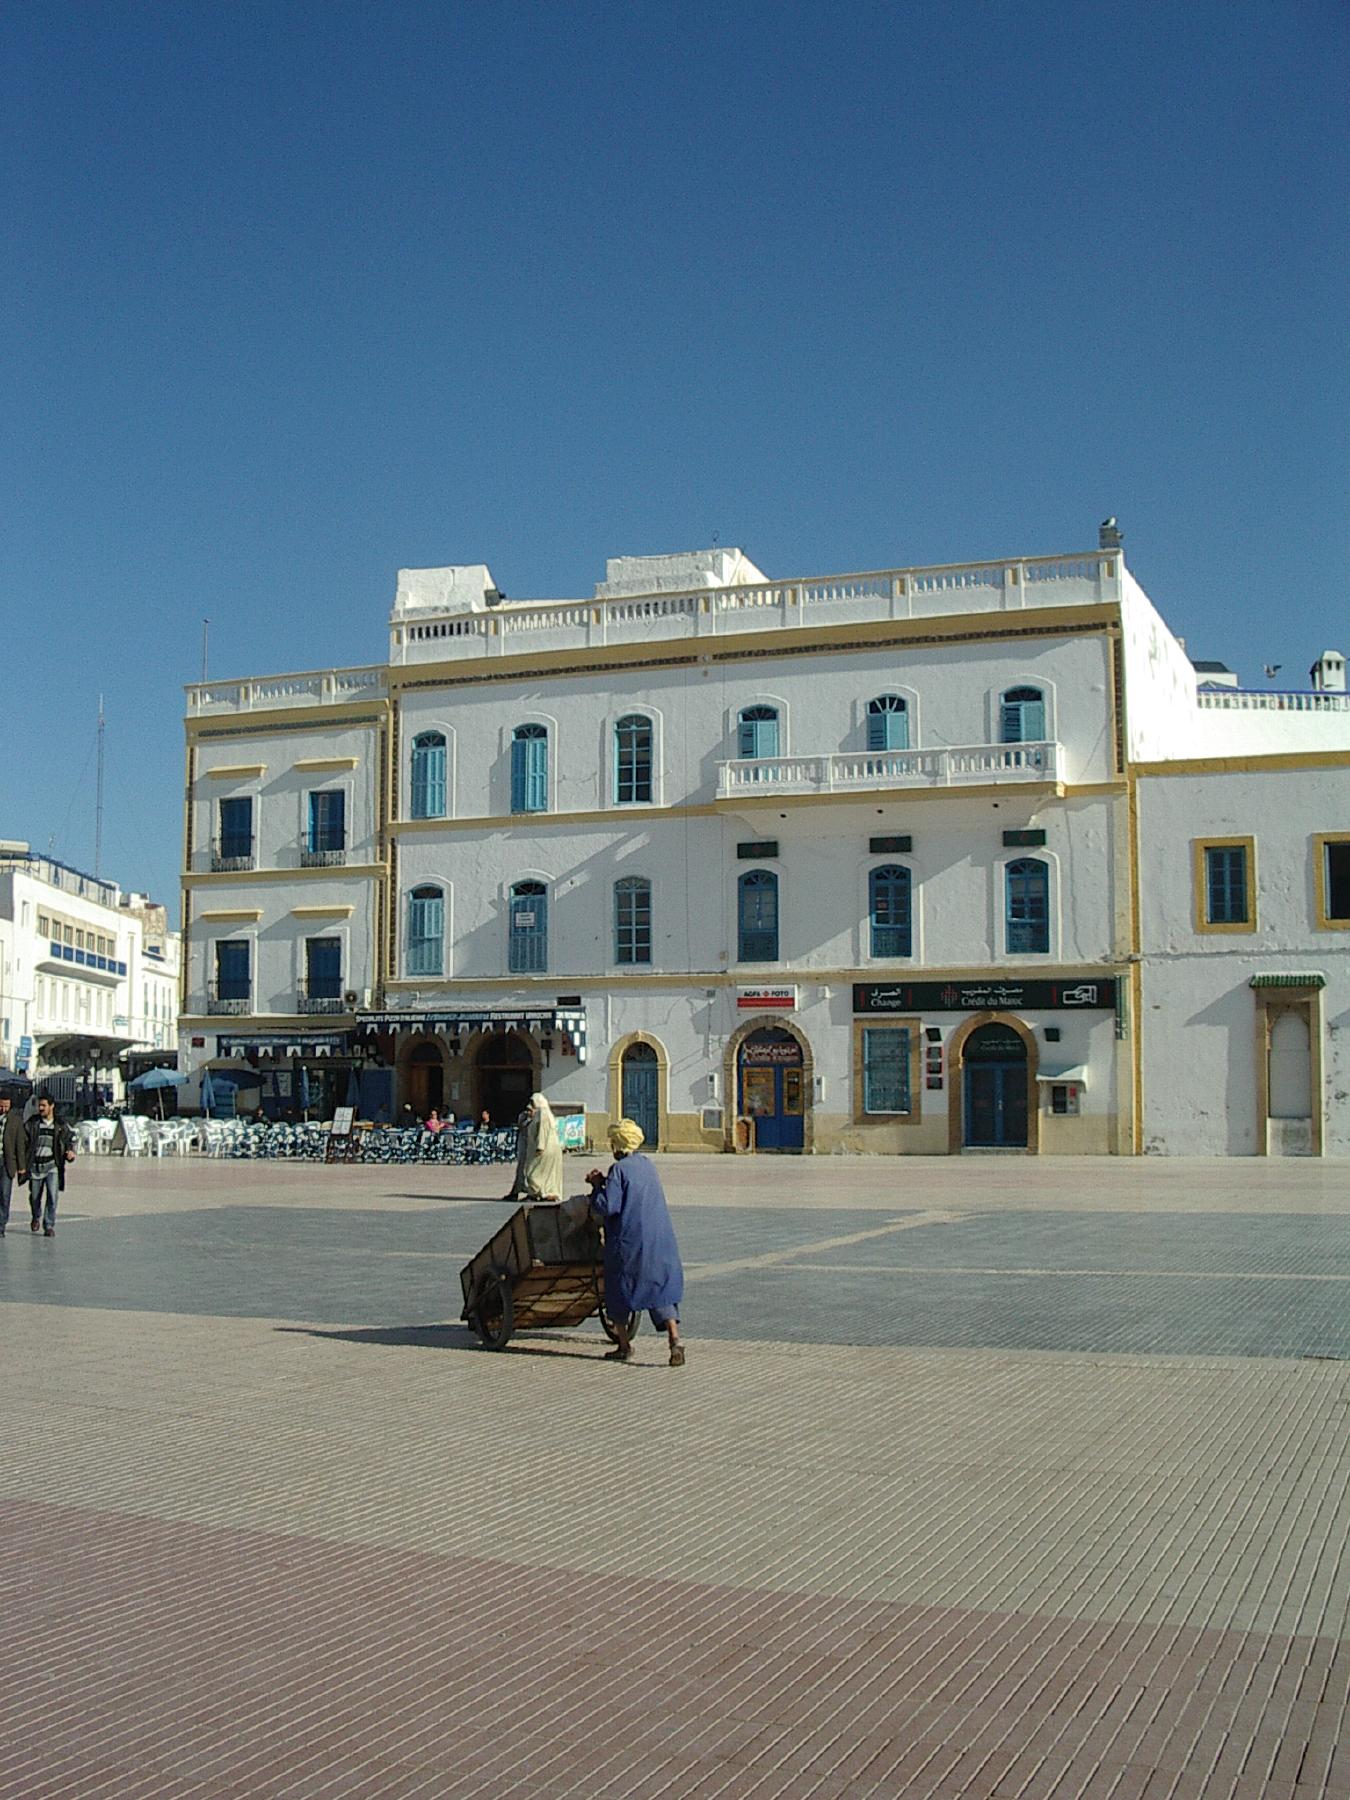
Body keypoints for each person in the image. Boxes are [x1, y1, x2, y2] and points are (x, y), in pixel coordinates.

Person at [587, 1120, 685, 1366]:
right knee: (660, 1291)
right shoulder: (647, 1165)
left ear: (618, 1145)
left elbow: (608, 1206)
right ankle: (675, 1341)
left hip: (630, 1243)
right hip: (659, 1240)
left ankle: (624, 1345)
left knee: (619, 1290)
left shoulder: (619, 1170)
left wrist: (597, 1186)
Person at [25, 1093, 75, 1239]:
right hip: (36, 1166)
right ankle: (36, 1216)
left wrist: (70, 1151)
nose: (40, 1108)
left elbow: (69, 1140)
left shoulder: (60, 1125)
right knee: (35, 1197)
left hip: (52, 1166)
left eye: (43, 1105)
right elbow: (24, 1141)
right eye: (39, 1105)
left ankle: (49, 1225)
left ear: (51, 1106)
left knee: (53, 1196)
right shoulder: (32, 1123)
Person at [518, 1092, 563, 1201]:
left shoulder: (543, 1113)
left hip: (546, 1148)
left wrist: (540, 1146)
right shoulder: (539, 1114)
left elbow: (543, 1130)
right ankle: (541, 1193)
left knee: (533, 1172)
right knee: (544, 1173)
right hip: (548, 1148)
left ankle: (541, 1192)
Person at [0, 1093, 29, 1238]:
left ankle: (1, 1225)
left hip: (7, 1163)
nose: (4, 1109)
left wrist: (21, 1167)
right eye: (1, 1106)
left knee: (4, 1194)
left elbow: (20, 1145)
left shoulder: (15, 1121)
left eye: (6, 1106)